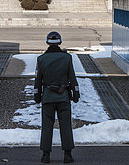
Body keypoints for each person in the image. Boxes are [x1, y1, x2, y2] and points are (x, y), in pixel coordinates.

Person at [34, 31, 80, 164]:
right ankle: (68, 155)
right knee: (65, 126)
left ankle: (45, 155)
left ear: (47, 42)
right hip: (63, 97)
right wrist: (75, 93)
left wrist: (37, 95)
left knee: (47, 126)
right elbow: (72, 78)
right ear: (60, 42)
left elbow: (38, 80)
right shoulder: (67, 58)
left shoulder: (41, 59)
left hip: (48, 97)